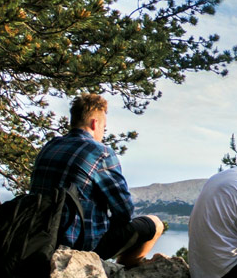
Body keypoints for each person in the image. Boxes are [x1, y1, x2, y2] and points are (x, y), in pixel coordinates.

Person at [30, 94, 163, 266]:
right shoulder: (100, 152)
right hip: (79, 245)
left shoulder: (50, 146)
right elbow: (124, 211)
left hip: (39, 240)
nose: (103, 133)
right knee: (155, 224)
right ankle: (122, 273)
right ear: (95, 123)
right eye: (104, 128)